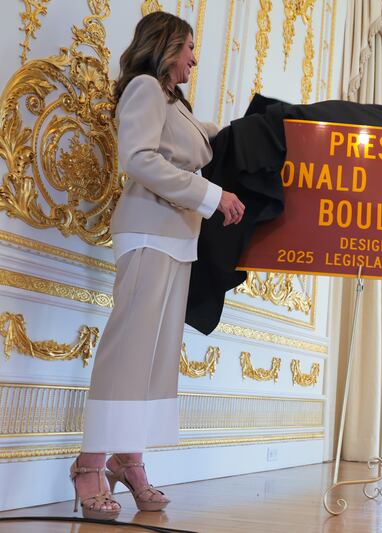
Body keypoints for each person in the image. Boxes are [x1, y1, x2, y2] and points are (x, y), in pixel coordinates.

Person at [69, 12, 245, 520]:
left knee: (153, 359)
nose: (194, 57)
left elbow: (216, 140)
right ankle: (89, 465)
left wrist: (265, 126)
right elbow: (139, 159)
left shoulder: (177, 107)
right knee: (129, 354)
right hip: (148, 231)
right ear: (167, 47)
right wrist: (213, 195)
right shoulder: (145, 88)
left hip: (176, 238)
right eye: (189, 47)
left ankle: (130, 459)